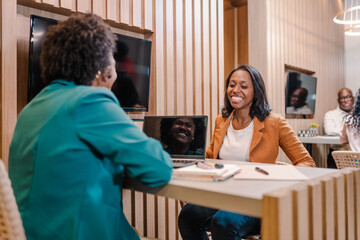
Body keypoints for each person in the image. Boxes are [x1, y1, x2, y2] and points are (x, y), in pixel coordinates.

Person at [9, 13, 173, 240]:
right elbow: (158, 168)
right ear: (101, 67)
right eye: (112, 58)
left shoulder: (31, 108)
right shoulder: (90, 102)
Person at [178, 65, 315, 240]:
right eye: (232, 85)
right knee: (187, 216)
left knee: (223, 222)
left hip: (257, 199)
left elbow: (307, 163)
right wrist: (188, 154)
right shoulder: (221, 121)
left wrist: (275, 175)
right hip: (224, 193)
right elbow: (212, 157)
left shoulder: (275, 122)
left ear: (256, 92)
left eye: (243, 86)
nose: (235, 90)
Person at [324, 88, 354, 168]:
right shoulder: (330, 114)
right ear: (338, 100)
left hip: (355, 154)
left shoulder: (357, 115)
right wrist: (351, 131)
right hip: (336, 153)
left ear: (353, 98)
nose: (346, 100)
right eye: (342, 98)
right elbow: (329, 131)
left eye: (348, 97)